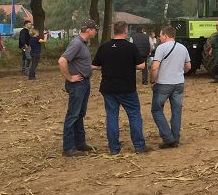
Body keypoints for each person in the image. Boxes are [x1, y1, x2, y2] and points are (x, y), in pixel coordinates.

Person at [91, 21, 149, 155]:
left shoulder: (104, 47)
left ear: (114, 31)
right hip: (127, 87)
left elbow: (94, 65)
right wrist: (129, 65)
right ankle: (139, 146)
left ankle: (114, 148)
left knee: (112, 116)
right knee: (134, 115)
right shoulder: (130, 47)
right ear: (125, 31)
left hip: (108, 87)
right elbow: (141, 65)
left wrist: (107, 66)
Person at [58, 19, 100, 157]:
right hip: (77, 84)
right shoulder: (76, 43)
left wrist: (97, 67)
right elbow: (62, 61)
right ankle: (68, 147)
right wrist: (70, 77)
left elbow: (82, 63)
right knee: (73, 114)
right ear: (88, 30)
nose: (96, 31)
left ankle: (80, 143)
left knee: (80, 114)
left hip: (84, 83)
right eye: (94, 29)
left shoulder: (82, 44)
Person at [150, 26, 191, 148]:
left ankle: (168, 137)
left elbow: (154, 67)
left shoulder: (161, 48)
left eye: (160, 35)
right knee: (176, 111)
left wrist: (152, 81)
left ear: (166, 36)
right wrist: (179, 72)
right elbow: (188, 66)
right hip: (178, 83)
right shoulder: (183, 48)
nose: (159, 38)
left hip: (163, 83)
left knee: (156, 110)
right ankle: (175, 138)